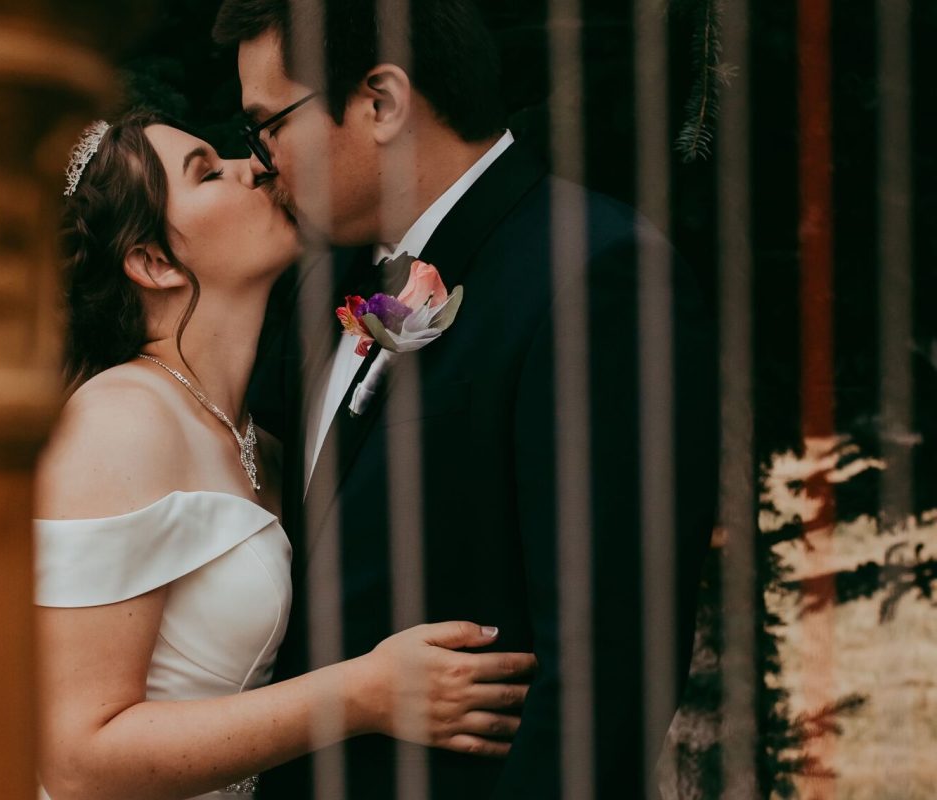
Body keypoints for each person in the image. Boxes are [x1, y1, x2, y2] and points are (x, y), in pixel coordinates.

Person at [213, 0, 720, 797]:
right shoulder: (321, 287)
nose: (263, 160)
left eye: (267, 124)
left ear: (381, 102)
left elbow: (608, 669)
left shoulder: (595, 277)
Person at [33, 110, 538, 800]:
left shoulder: (262, 436)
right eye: (209, 173)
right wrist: (362, 694)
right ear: (154, 263)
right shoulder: (120, 419)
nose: (255, 167)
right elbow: (77, 760)